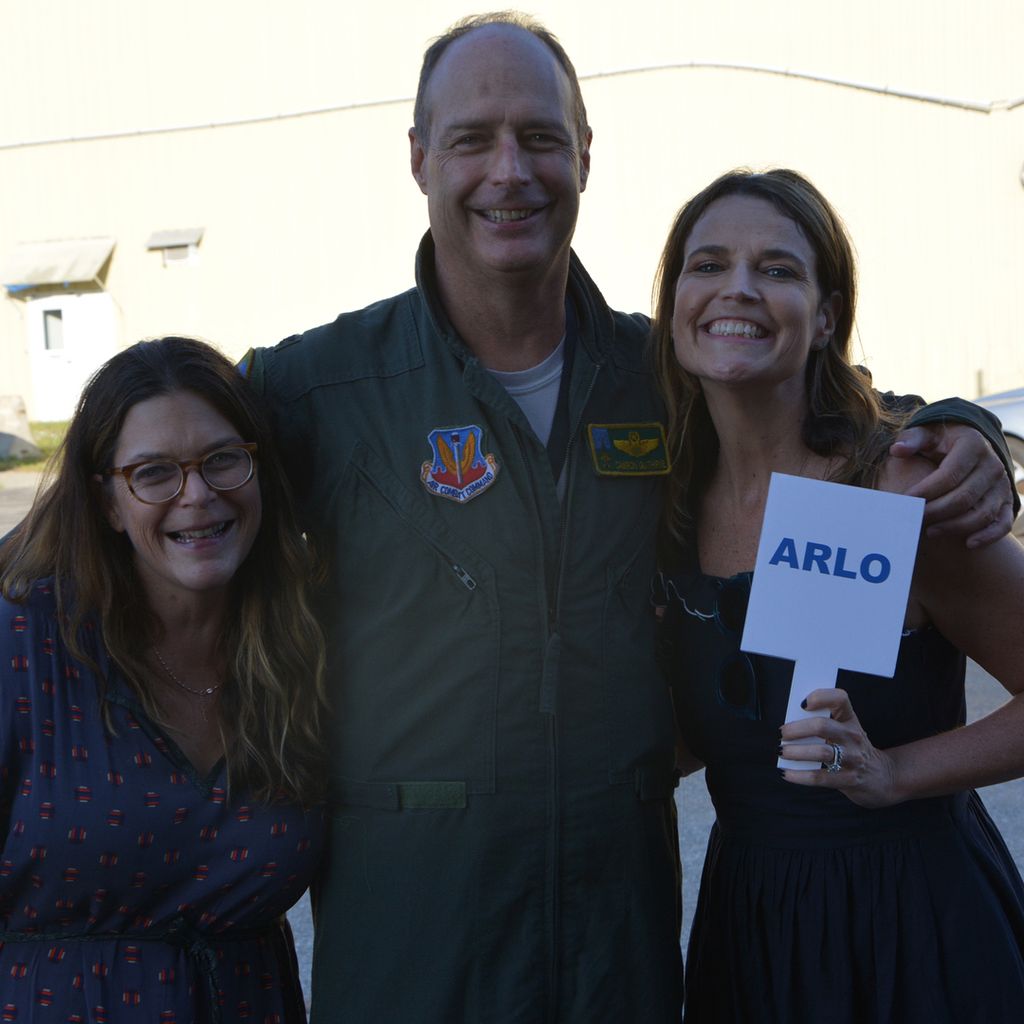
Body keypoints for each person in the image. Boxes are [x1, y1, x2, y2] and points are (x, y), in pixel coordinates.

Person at [245, 13, 1018, 1022]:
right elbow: (159, 482)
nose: (509, 170)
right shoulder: (324, 388)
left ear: (584, 156)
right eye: (474, 137)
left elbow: (838, 412)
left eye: (541, 136)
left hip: (692, 938)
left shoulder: (667, 384)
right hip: (444, 932)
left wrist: (968, 432)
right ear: (419, 157)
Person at [653, 168, 1024, 1023]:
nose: (737, 287)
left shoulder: (895, 487)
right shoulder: (666, 507)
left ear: (825, 317)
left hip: (915, 930)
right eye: (707, 264)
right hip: (753, 933)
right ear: (674, 305)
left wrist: (897, 771)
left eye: (778, 269)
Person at [0, 337, 328, 1022]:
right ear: (109, 503)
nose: (197, 495)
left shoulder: (304, 651)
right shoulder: (23, 645)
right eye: (154, 473)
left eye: (223, 461)